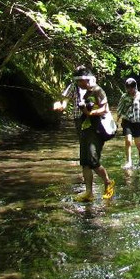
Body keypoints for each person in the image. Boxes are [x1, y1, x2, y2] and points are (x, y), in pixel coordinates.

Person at [53, 67, 114, 202]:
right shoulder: (74, 87)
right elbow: (65, 100)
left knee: (93, 160)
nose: (80, 84)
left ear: (88, 79)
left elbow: (105, 108)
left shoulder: (97, 90)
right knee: (84, 161)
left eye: (82, 81)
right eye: (78, 81)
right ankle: (88, 192)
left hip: (95, 126)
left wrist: (90, 113)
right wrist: (61, 106)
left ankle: (108, 183)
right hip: (82, 125)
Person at [116, 77, 140, 170]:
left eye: (131, 87)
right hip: (127, 121)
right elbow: (119, 109)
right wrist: (116, 122)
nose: (130, 89)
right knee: (128, 141)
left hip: (138, 121)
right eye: (128, 87)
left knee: (138, 143)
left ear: (135, 87)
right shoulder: (124, 96)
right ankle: (129, 161)